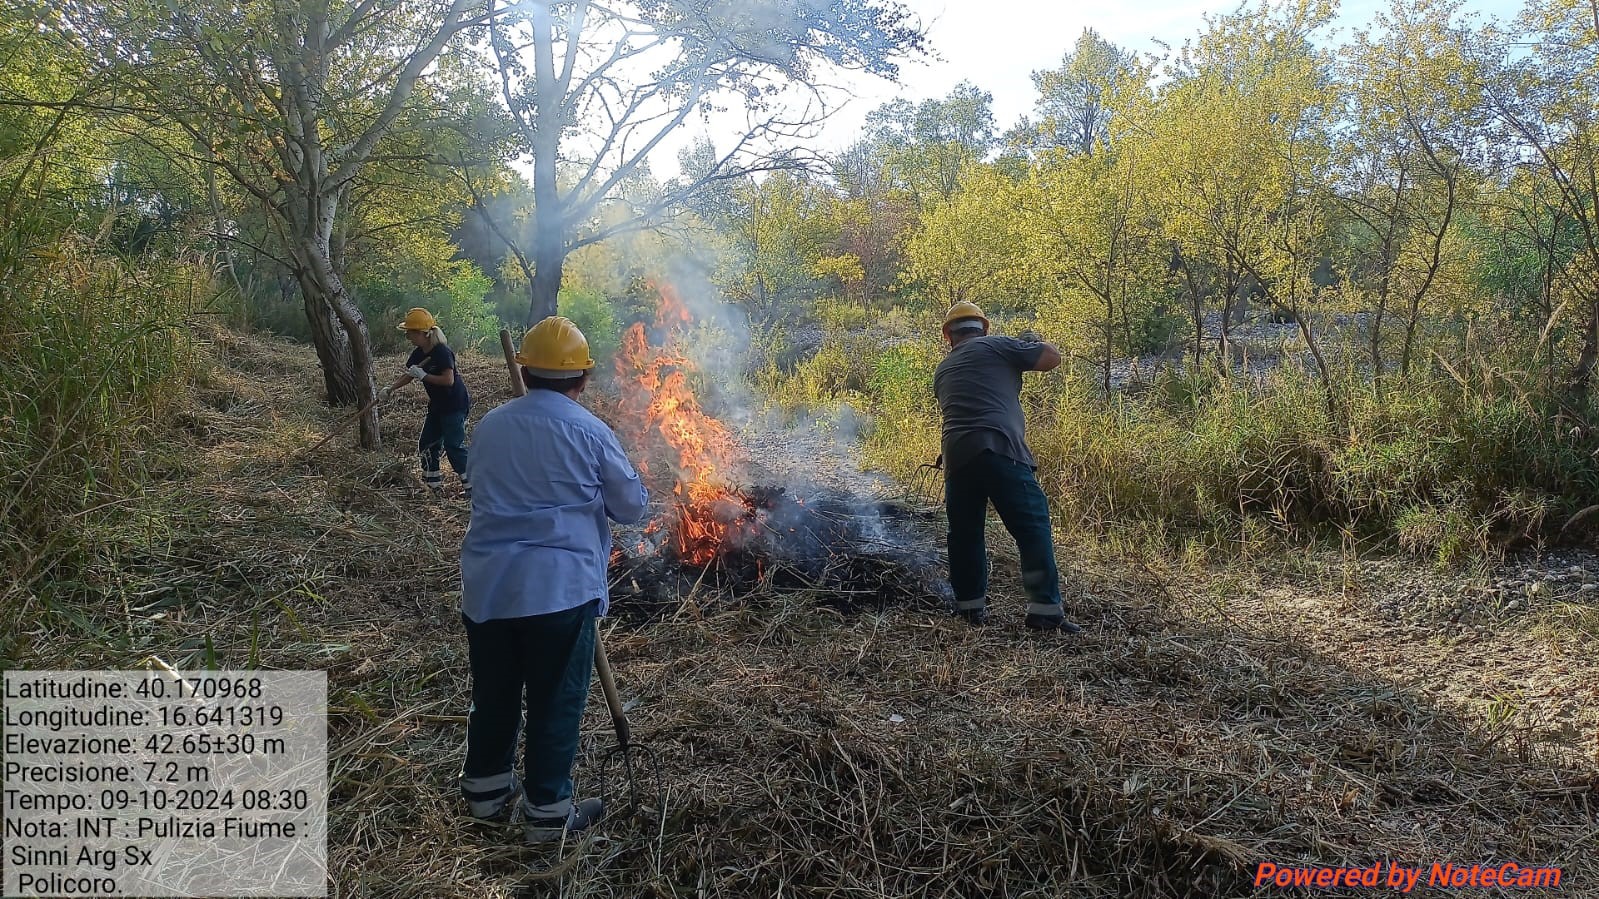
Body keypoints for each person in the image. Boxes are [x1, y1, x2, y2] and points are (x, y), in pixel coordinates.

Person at [457, 316, 649, 844]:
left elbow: (479, 486)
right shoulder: (588, 430)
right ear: (581, 380)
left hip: (489, 586)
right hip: (558, 592)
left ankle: (485, 793)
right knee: (556, 699)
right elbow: (631, 507)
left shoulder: (491, 424)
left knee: (493, 692)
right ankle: (547, 813)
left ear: (526, 369)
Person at [932, 301, 1081, 633]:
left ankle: (969, 609)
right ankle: (1044, 610)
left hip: (957, 458)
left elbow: (959, 413)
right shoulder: (998, 345)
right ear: (984, 329)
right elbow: (1051, 359)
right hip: (1001, 449)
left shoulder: (943, 369)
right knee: (1032, 527)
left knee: (965, 534)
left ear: (947, 335)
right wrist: (1031, 342)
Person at [383, 308, 471, 499]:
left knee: (453, 446)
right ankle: (433, 486)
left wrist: (424, 375)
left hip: (454, 404)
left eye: (410, 332)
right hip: (437, 405)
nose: (407, 336)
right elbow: (409, 374)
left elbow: (448, 381)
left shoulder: (442, 352)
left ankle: (473, 487)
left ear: (422, 334)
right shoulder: (418, 353)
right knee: (427, 443)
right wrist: (390, 389)